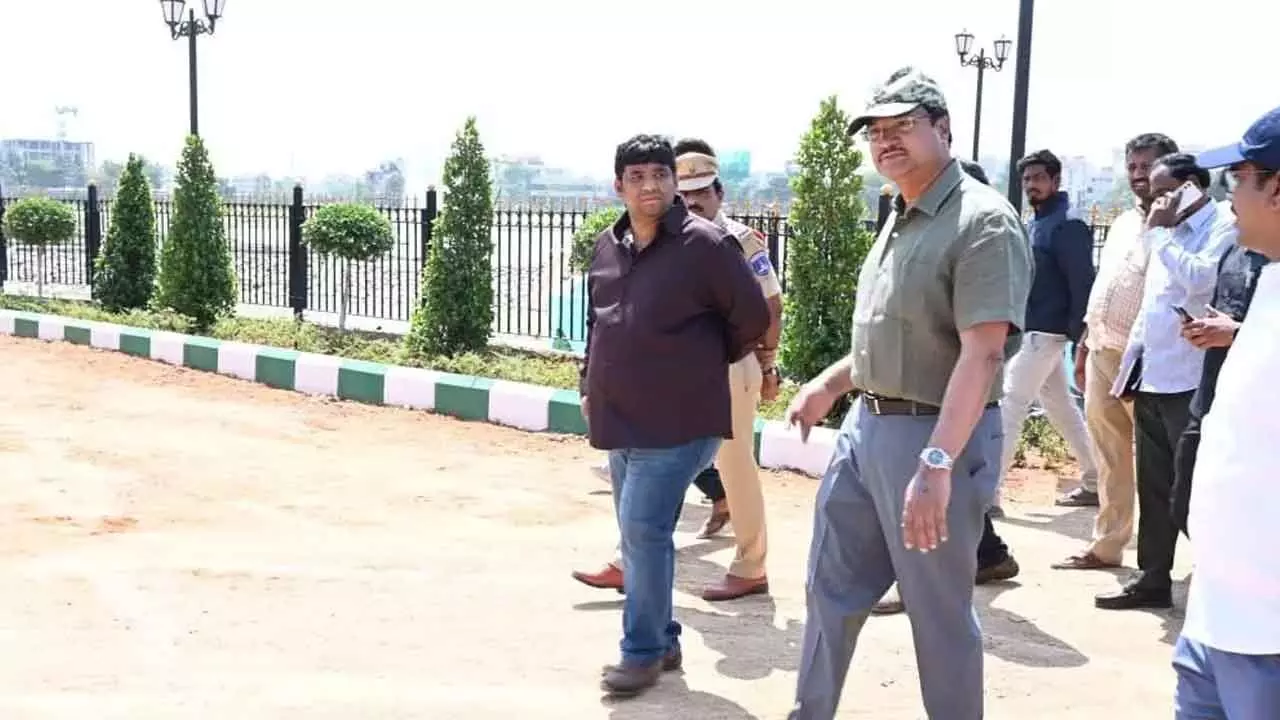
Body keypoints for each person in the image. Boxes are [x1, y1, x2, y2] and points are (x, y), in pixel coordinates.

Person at [784, 67, 1032, 719]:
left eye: (903, 125)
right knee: (829, 589)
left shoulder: (983, 222)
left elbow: (982, 352)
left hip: (934, 436)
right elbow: (897, 334)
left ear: (943, 128)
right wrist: (830, 384)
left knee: (937, 614)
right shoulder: (899, 214)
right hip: (866, 431)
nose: (885, 140)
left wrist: (938, 461)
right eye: (875, 131)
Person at [581, 134, 769, 696]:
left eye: (660, 174)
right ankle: (662, 639)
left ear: (674, 182)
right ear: (619, 186)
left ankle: (640, 653)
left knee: (644, 531)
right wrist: (589, 382)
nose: (650, 186)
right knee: (638, 534)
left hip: (680, 417)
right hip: (620, 416)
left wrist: (698, 361)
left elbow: (751, 316)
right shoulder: (608, 246)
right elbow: (598, 323)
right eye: (637, 176)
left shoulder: (706, 245)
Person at [872, 158, 1020, 618]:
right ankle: (988, 555)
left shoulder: (986, 232)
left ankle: (939, 579)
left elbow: (984, 349)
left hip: (951, 403)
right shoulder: (914, 228)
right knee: (937, 506)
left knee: (937, 508)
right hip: (925, 401)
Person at [1172, 104, 1280, 719]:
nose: (1228, 195)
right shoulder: (1270, 283)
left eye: (1238, 178)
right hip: (1218, 613)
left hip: (1266, 632)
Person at [1095, 153, 1236, 611]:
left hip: (1191, 379)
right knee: (1153, 486)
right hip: (1155, 375)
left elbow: (1200, 281)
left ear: (1191, 186)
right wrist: (1131, 365)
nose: (1155, 202)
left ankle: (1225, 583)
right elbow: (1152, 305)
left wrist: (1159, 233)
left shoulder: (1222, 226)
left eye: (1164, 193)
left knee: (1191, 488)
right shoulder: (1167, 232)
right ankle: (1152, 578)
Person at [1056, 133, 1179, 572]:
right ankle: (1106, 546)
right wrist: (1085, 345)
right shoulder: (1124, 221)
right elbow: (1104, 285)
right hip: (1103, 350)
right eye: (1132, 167)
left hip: (1148, 360)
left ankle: (1160, 564)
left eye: (1147, 166)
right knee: (1109, 454)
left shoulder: (1182, 225)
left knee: (1159, 464)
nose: (1138, 175)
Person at [995, 150, 1099, 511]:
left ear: (1055, 180)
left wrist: (1081, 337)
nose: (1031, 185)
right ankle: (1096, 481)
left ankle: (987, 494)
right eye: (1027, 179)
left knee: (1011, 402)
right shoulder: (1036, 222)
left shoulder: (1068, 225)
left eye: (1039, 178)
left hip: (1047, 332)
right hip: (1032, 328)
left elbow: (1082, 282)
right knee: (1060, 408)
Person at [1169, 232, 1267, 537]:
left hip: (1259, 414)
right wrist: (1203, 329)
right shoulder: (1234, 251)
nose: (1232, 210)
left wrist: (1236, 334)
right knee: (1185, 504)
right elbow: (1220, 309)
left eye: (1239, 210)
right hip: (1211, 400)